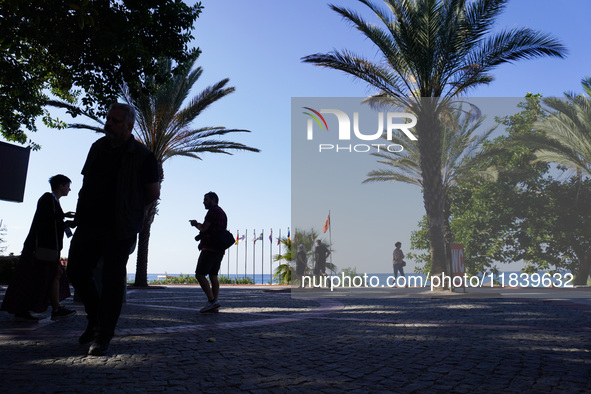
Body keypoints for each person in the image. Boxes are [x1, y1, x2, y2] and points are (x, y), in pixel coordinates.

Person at [67, 103, 160, 356]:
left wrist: (129, 210)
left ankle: (103, 334)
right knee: (75, 270)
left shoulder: (143, 156)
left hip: (120, 227)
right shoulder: (97, 147)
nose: (109, 123)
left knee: (111, 281)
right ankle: (95, 318)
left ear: (129, 126)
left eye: (116, 120)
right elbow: (86, 182)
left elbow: (152, 193)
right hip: (89, 222)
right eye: (108, 118)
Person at [1, 175, 76, 321]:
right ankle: (55, 308)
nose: (69, 189)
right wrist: (63, 216)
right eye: (67, 186)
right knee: (45, 275)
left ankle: (47, 308)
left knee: (40, 277)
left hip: (44, 249)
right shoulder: (47, 198)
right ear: (61, 186)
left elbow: (52, 221)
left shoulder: (53, 201)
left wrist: (66, 220)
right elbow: (47, 218)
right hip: (40, 248)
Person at [190, 192, 227, 313]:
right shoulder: (222, 213)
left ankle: (212, 301)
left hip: (210, 248)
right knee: (213, 276)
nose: (203, 202)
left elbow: (204, 228)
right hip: (219, 249)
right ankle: (215, 301)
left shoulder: (212, 212)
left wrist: (196, 224)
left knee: (199, 274)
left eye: (206, 199)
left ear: (213, 200)